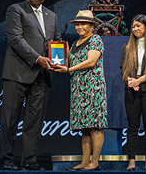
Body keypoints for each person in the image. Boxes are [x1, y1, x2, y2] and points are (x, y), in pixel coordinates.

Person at [0, 0, 61, 171]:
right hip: (17, 71)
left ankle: (30, 160)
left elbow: (57, 41)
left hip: (41, 76)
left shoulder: (52, 16)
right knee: (10, 119)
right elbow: (15, 39)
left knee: (34, 121)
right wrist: (38, 58)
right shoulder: (16, 9)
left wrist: (59, 60)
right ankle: (7, 159)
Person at [54, 10, 108, 171]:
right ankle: (85, 162)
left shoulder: (96, 39)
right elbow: (64, 59)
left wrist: (69, 69)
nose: (79, 27)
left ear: (92, 26)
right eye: (77, 24)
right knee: (84, 127)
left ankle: (95, 162)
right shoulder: (75, 43)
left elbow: (91, 62)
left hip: (93, 87)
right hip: (78, 88)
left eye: (83, 23)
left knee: (95, 126)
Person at [119, 15, 146, 171]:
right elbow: (122, 68)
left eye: (139, 26)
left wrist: (140, 81)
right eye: (133, 26)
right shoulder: (128, 47)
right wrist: (131, 81)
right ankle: (131, 161)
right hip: (131, 90)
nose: (135, 29)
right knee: (132, 126)